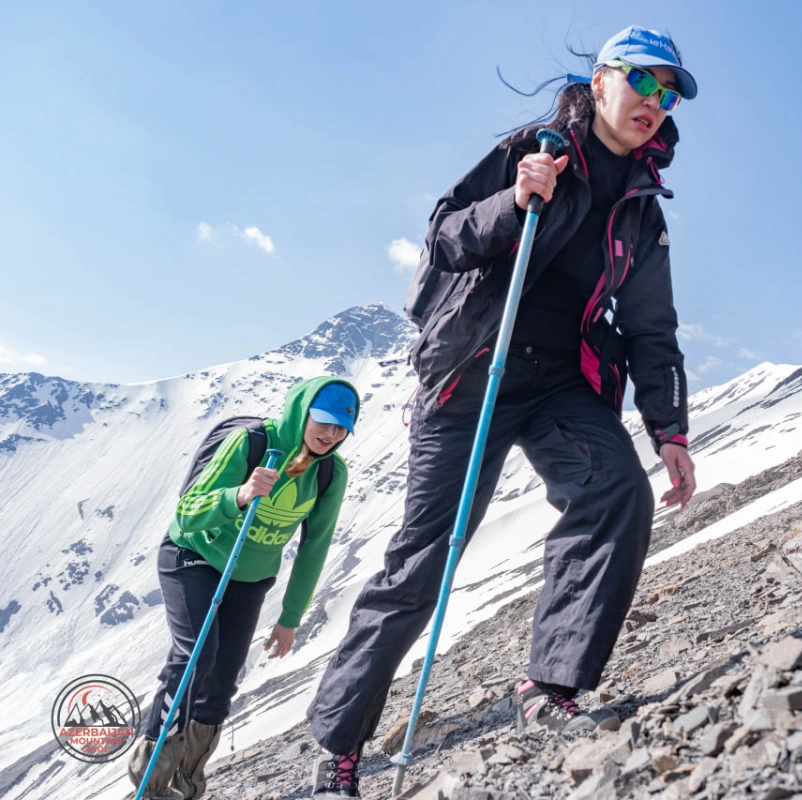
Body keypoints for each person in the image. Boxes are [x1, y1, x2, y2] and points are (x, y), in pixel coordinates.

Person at [306, 25, 698, 798]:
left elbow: (652, 326)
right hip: (470, 376)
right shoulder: (539, 146)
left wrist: (669, 430)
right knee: (423, 562)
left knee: (617, 490)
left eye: (669, 92)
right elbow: (444, 235)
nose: (655, 102)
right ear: (603, 77)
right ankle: (339, 748)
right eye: (644, 82)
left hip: (561, 384)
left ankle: (550, 686)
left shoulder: (643, 209)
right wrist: (516, 200)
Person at [127, 377, 358, 800]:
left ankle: (189, 783)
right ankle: (151, 783)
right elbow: (186, 514)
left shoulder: (328, 472)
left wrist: (290, 619)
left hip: (248, 576)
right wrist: (239, 494)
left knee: (223, 679)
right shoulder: (251, 442)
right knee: (197, 654)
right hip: (192, 555)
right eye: (322, 422)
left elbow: (314, 549)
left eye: (342, 428)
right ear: (302, 413)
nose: (330, 434)